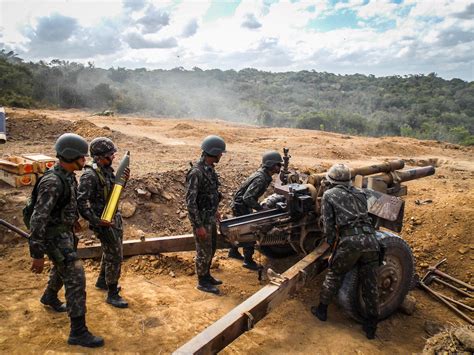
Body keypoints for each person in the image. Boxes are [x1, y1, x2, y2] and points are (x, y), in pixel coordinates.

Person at [29, 133, 104, 348]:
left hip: (64, 234)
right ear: (71, 156)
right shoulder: (53, 181)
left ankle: (49, 297)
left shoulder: (68, 175)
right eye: (82, 157)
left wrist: (71, 222)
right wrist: (37, 254)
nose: (85, 160)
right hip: (54, 238)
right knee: (76, 277)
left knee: (62, 270)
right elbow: (38, 218)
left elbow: (62, 206)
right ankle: (78, 332)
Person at [311, 163, 380, 339]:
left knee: (334, 273)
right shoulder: (361, 193)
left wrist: (332, 245)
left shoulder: (329, 194)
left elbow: (328, 225)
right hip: (371, 240)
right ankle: (371, 325)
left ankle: (322, 310)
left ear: (330, 180)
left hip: (350, 242)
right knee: (370, 282)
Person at [77, 137, 129, 308]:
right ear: (99, 157)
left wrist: (124, 180)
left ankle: (102, 281)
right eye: (110, 155)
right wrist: (97, 221)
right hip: (103, 221)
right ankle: (112, 294)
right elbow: (82, 203)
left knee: (110, 252)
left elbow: (111, 190)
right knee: (115, 256)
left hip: (111, 218)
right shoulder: (89, 175)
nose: (113, 158)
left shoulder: (105, 170)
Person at [229, 151, 283, 270]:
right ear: (272, 165)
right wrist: (260, 208)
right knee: (249, 232)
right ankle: (248, 261)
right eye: (278, 165)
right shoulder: (261, 179)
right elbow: (247, 197)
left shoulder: (263, 175)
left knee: (240, 230)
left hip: (240, 204)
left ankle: (233, 251)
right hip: (241, 205)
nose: (280, 167)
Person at [185, 135, 226, 294]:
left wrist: (215, 211)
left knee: (211, 248)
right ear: (213, 152)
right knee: (203, 251)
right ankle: (202, 282)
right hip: (201, 220)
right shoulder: (196, 173)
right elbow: (191, 202)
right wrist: (198, 226)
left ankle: (207, 275)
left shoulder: (209, 170)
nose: (221, 155)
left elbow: (211, 193)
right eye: (220, 153)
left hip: (209, 217)